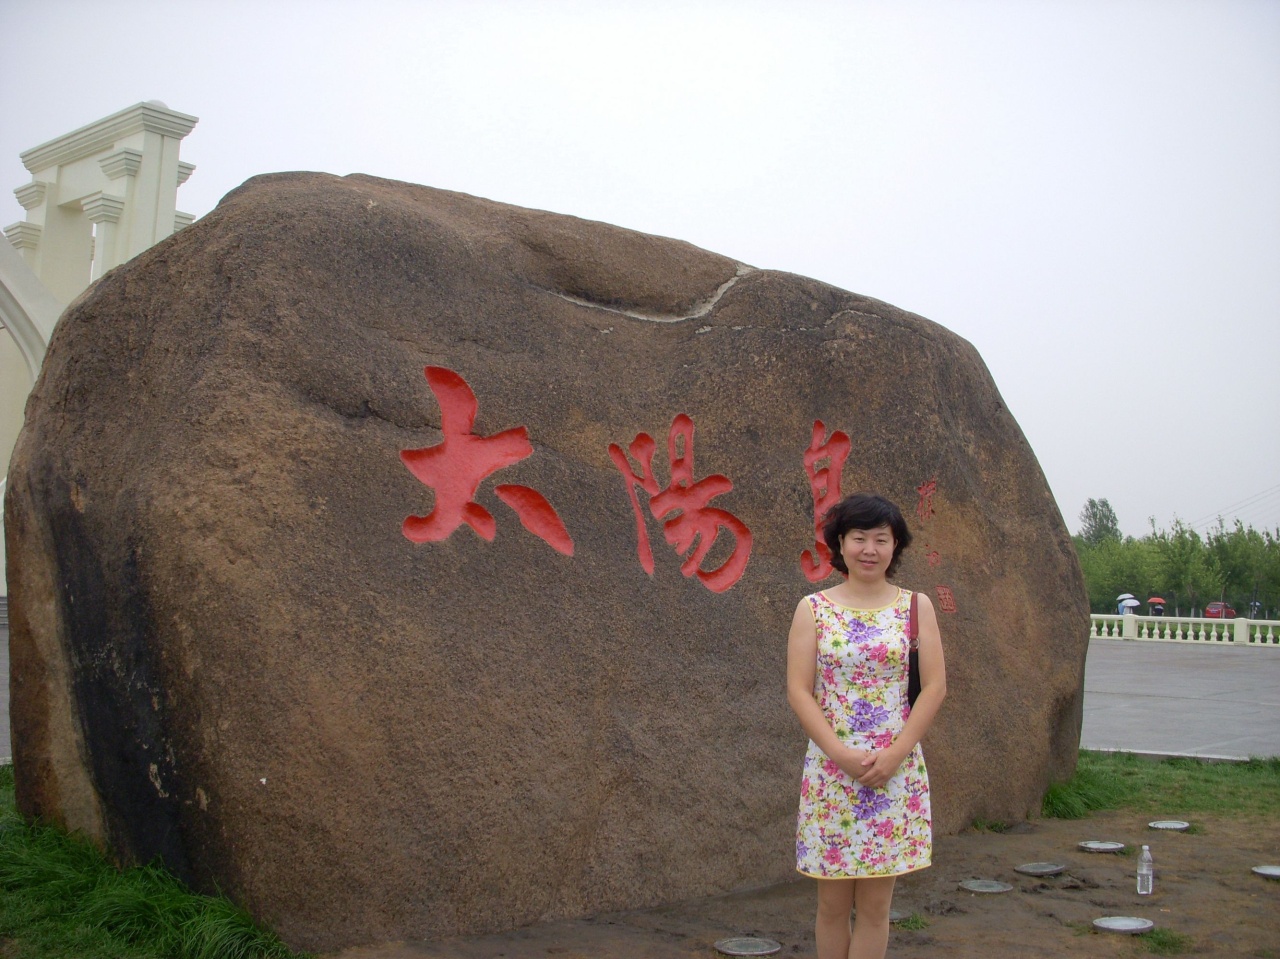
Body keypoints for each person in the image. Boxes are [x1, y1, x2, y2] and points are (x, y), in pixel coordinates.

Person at [787, 492, 946, 959]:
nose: (869, 549)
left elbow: (934, 687)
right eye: (859, 538)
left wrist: (895, 755)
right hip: (831, 770)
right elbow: (799, 690)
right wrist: (839, 754)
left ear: (896, 545)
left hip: (893, 770)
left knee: (876, 908)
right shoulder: (813, 608)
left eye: (881, 538)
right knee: (831, 906)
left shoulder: (916, 607)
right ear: (840, 543)